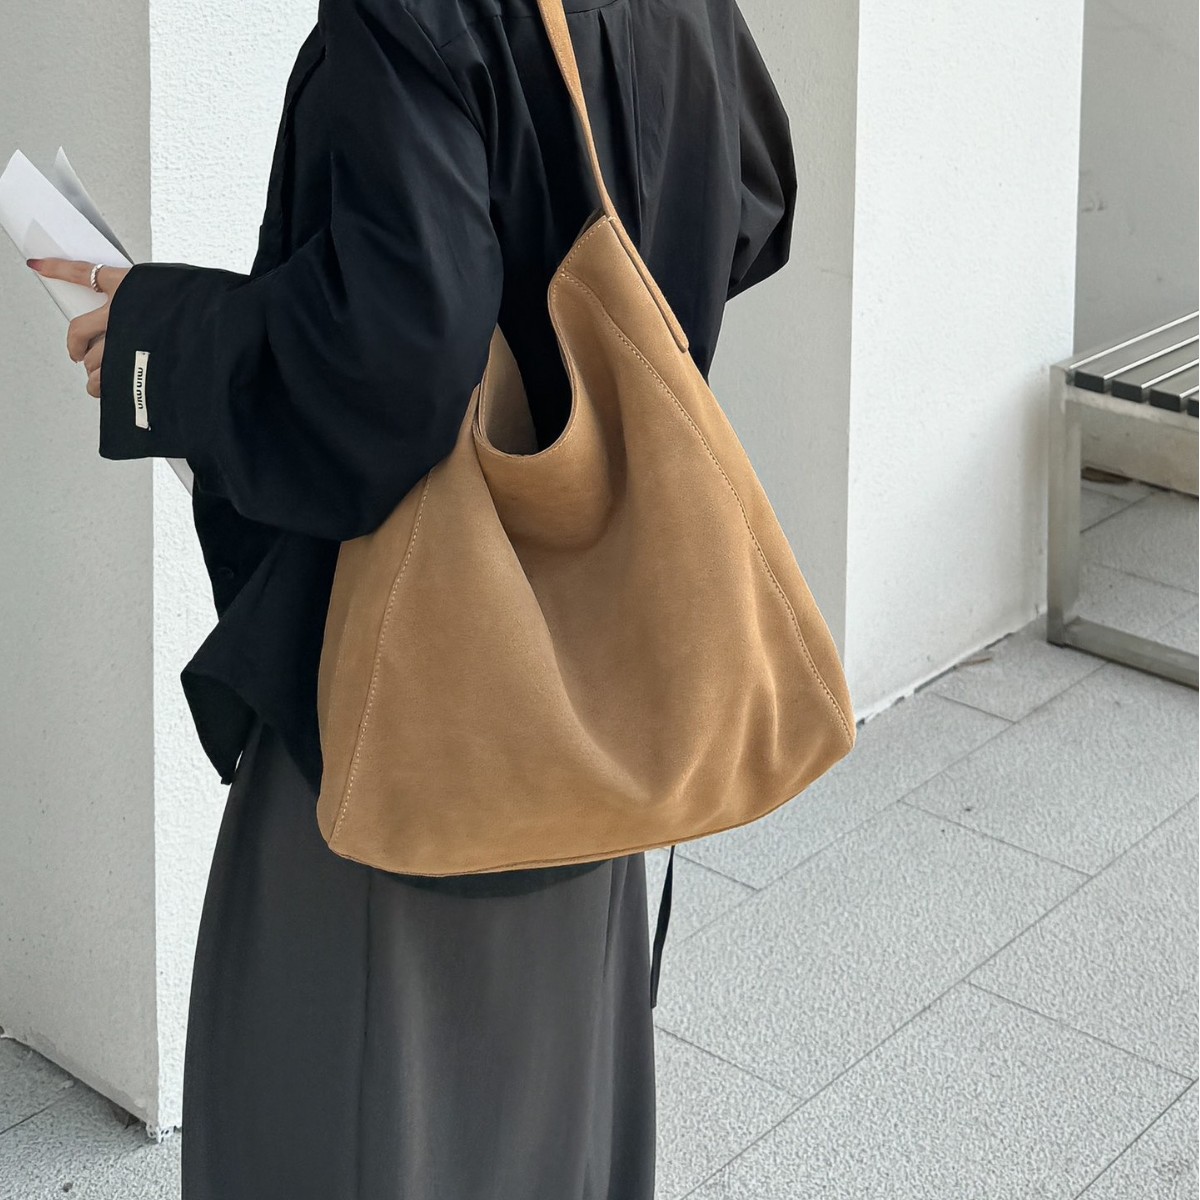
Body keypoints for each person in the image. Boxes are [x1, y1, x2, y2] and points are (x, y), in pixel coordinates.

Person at [29, 0, 796, 1194]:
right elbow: (756, 195)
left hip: (418, 703)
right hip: (590, 700)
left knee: (333, 1096)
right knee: (551, 1122)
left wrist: (164, 339)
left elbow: (389, 367)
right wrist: (581, 371)